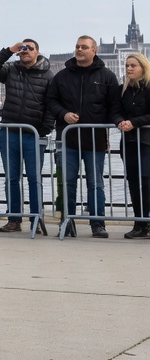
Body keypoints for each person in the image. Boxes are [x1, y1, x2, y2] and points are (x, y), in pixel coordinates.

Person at [47, 36, 121, 237]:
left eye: (84, 47)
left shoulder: (107, 76)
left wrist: (116, 122)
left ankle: (98, 224)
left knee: (95, 182)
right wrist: (63, 114)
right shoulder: (61, 76)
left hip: (95, 139)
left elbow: (114, 105)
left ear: (94, 50)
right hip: (67, 138)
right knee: (67, 181)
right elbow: (51, 101)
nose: (80, 50)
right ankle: (67, 222)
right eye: (77, 46)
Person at [0, 39, 55, 234]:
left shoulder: (48, 75)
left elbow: (51, 105)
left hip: (33, 135)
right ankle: (13, 219)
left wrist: (44, 130)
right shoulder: (11, 70)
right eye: (22, 49)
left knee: (34, 178)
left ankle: (36, 219)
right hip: (9, 132)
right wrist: (9, 50)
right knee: (11, 179)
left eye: (29, 49)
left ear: (37, 52)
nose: (25, 52)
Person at [117, 53, 150, 239]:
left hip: (146, 142)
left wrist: (134, 122)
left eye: (133, 66)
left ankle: (147, 223)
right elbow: (114, 110)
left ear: (143, 68)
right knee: (133, 182)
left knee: (146, 182)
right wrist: (120, 121)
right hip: (128, 142)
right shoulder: (122, 89)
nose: (129, 69)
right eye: (127, 65)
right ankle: (139, 223)